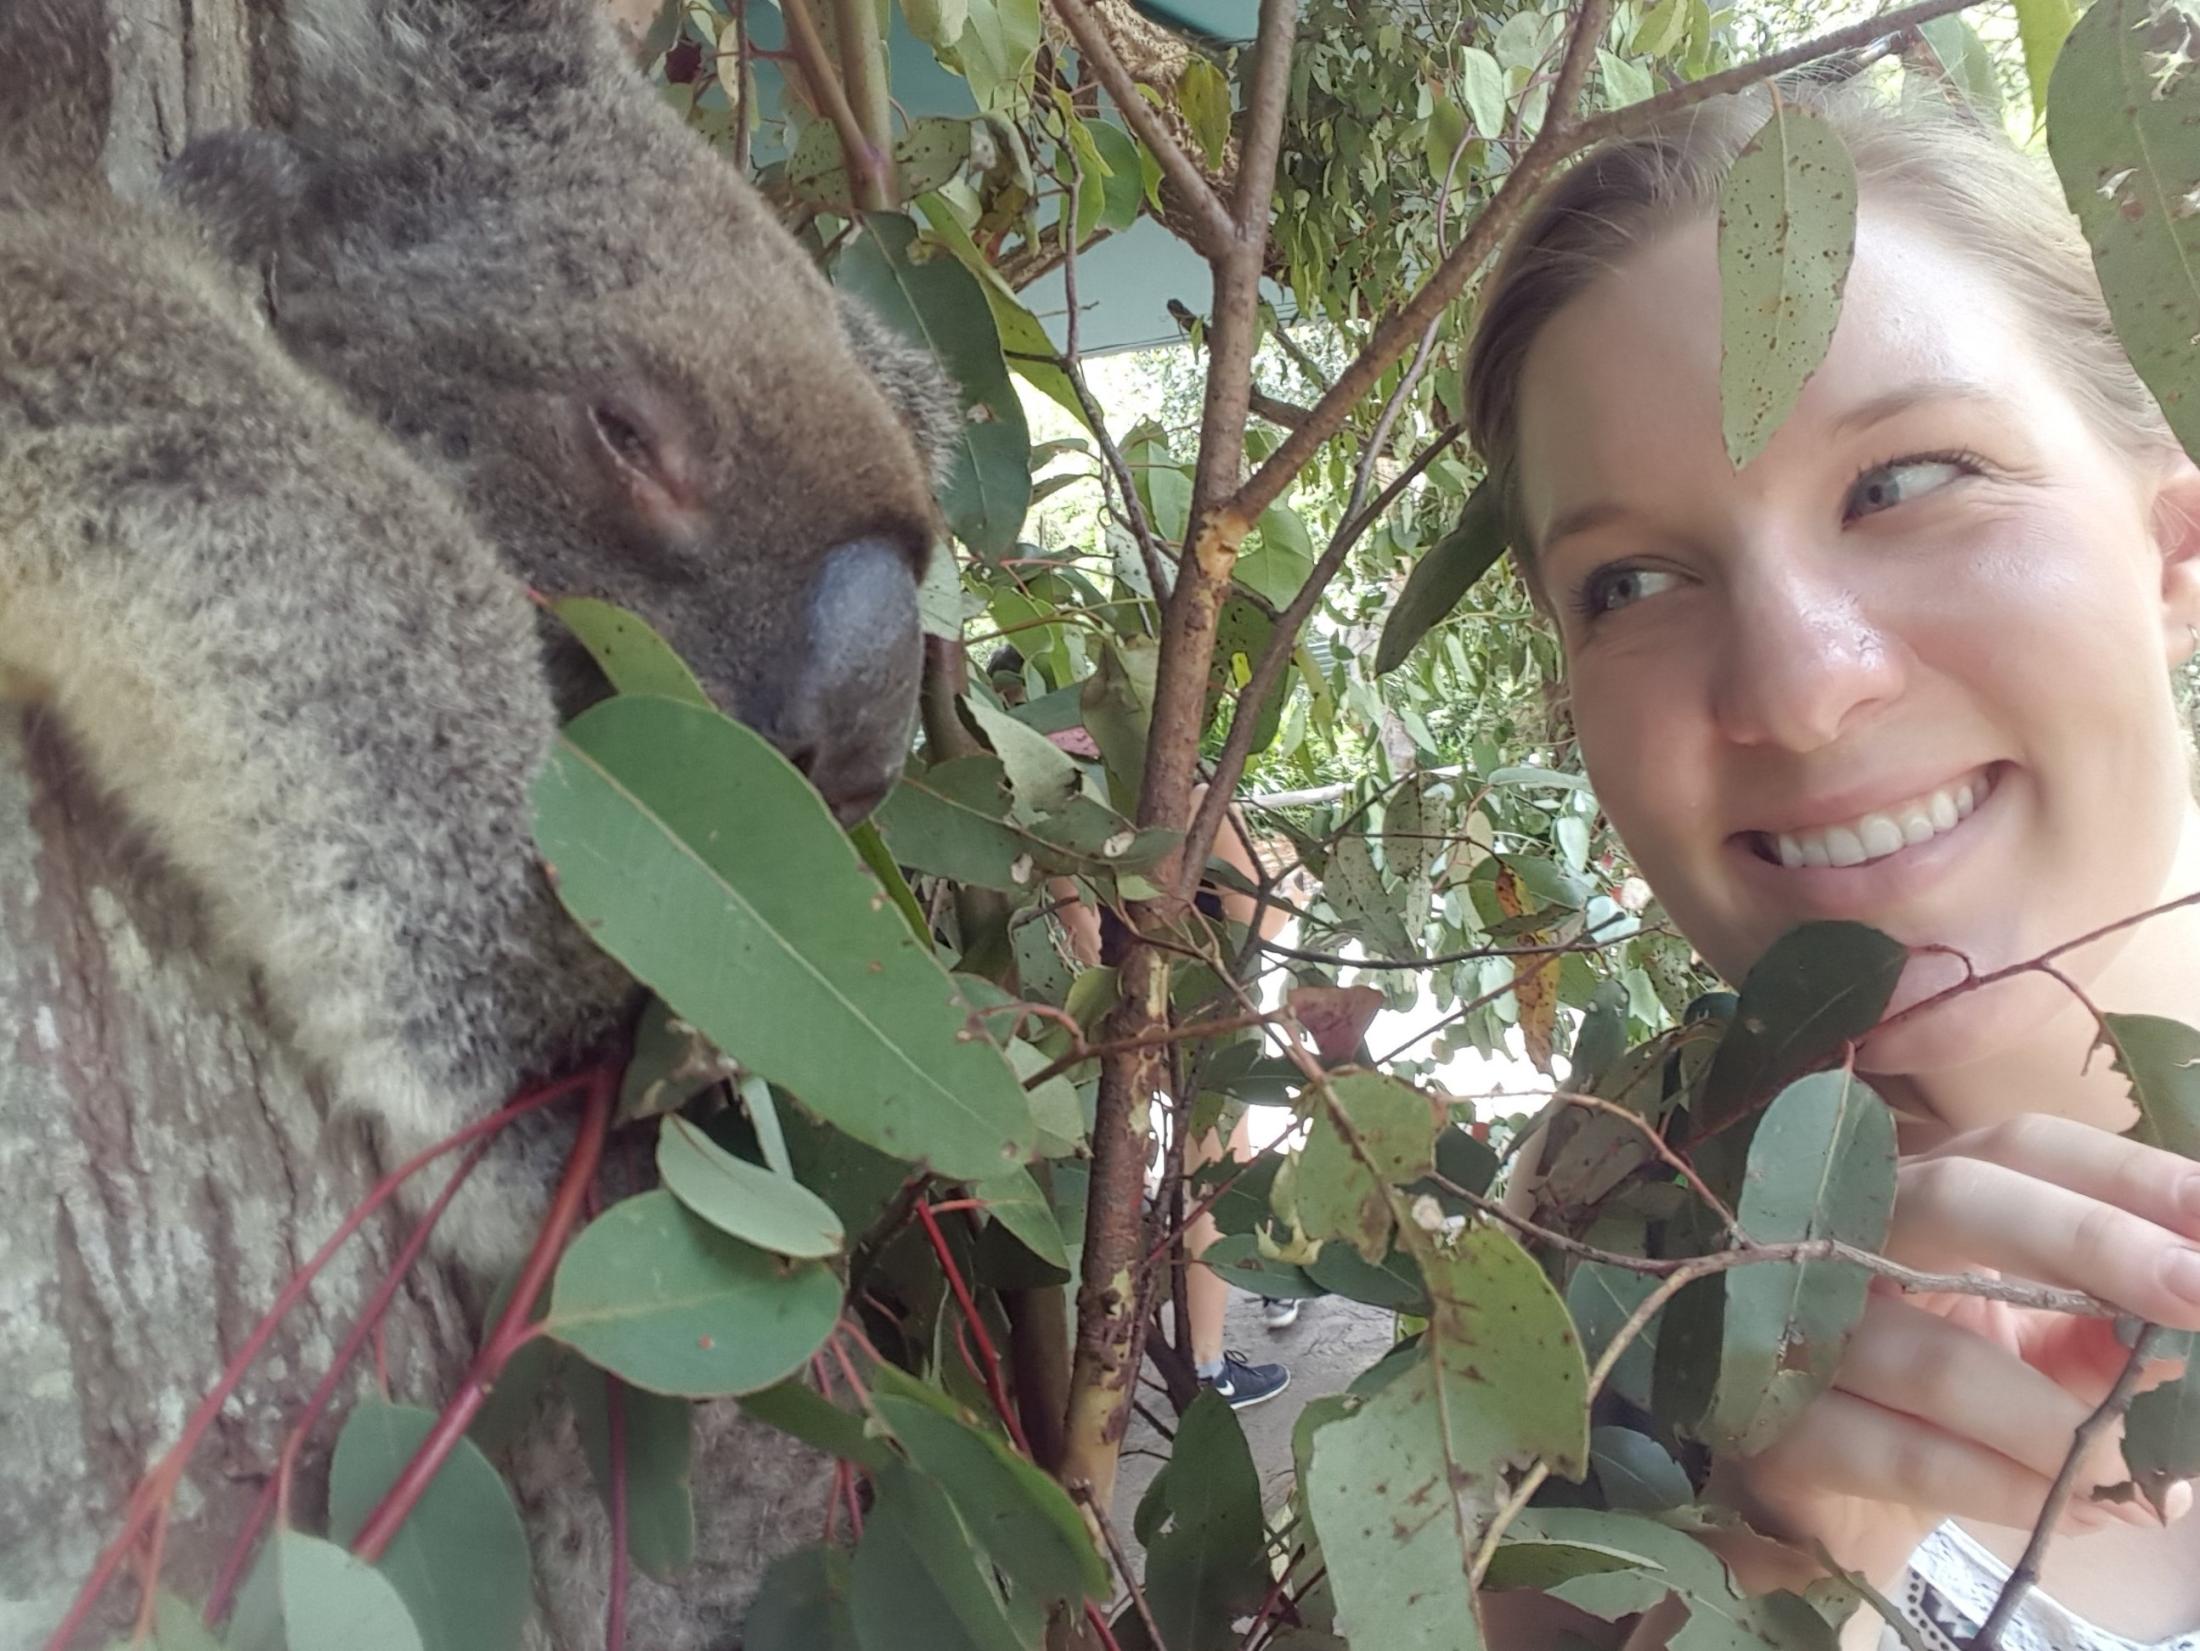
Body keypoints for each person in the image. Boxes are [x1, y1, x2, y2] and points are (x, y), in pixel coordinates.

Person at [1463, 79, 2200, 1651]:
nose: (1797, 690)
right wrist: (1761, 1567)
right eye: (1633, 580)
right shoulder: (1601, 1215)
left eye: (1907, 479)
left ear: (2177, 547)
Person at [1051, 782, 1300, 1409]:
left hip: (1118, 998)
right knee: (1214, 1171)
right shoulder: (1195, 797)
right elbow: (1260, 921)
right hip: (1199, 998)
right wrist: (1292, 884)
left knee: (1161, 1160)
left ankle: (1269, 1274)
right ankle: (1208, 1364)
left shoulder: (1072, 798)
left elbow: (1076, 920)